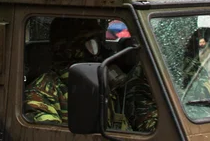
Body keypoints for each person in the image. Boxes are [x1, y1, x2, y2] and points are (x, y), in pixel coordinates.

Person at [24, 17, 157, 131]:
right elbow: (50, 135)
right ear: (71, 48)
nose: (100, 49)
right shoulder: (42, 94)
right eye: (92, 42)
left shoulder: (104, 83)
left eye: (100, 41)